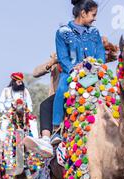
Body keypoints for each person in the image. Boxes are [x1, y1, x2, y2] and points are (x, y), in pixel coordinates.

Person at [25, 0, 105, 156]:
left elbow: (100, 53)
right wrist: (75, 71)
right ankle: (54, 132)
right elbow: (63, 57)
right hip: (71, 76)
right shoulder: (62, 32)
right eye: (93, 15)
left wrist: (96, 66)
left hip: (94, 74)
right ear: (83, 13)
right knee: (62, 89)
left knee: (113, 89)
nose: (95, 18)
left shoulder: (94, 32)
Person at [0, 72, 39, 143]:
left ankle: (36, 142)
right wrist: (4, 111)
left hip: (24, 113)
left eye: (21, 82)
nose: (20, 83)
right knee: (4, 124)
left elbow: (29, 102)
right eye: (19, 82)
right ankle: (2, 144)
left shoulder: (25, 91)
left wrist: (29, 111)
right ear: (14, 81)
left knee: (33, 122)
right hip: (9, 113)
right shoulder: (6, 90)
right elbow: (0, 103)